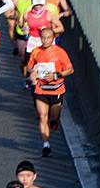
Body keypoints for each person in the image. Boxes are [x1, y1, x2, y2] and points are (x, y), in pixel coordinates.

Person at [26, 26, 72, 155]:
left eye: (48, 38)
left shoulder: (60, 52)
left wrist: (56, 75)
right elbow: (30, 67)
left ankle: (55, 121)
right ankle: (46, 145)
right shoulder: (35, 52)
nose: (45, 40)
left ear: (53, 39)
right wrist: (32, 73)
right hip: (41, 89)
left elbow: (70, 69)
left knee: (54, 117)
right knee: (42, 116)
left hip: (56, 89)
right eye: (43, 38)